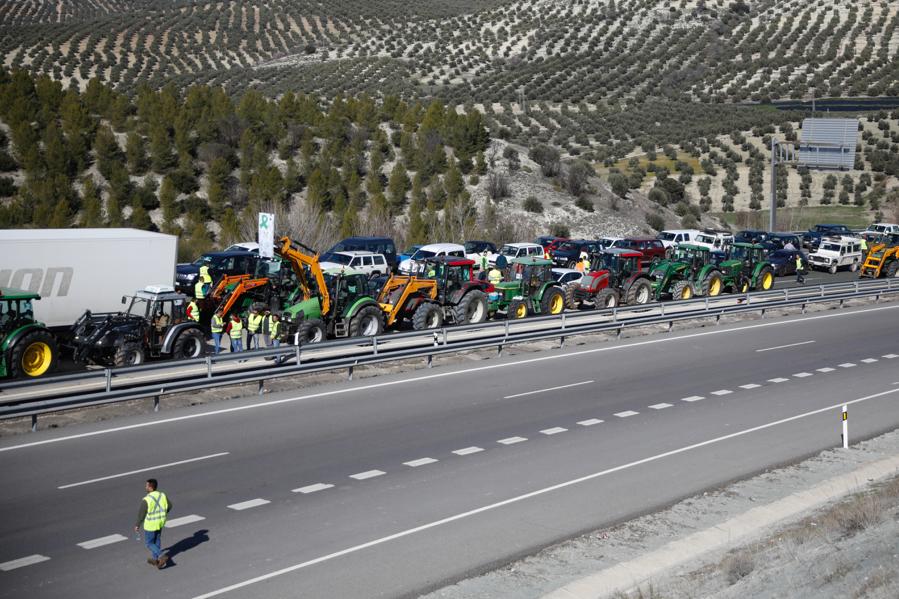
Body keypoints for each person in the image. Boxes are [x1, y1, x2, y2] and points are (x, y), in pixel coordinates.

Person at [134, 478, 171, 569]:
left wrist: (137, 525)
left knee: (149, 543)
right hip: (160, 522)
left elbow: (141, 514)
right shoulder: (162, 495)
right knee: (157, 541)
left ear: (150, 487)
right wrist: (162, 514)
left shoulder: (147, 499)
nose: (145, 487)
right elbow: (169, 506)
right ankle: (156, 560)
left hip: (150, 525)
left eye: (146, 485)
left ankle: (161, 555)